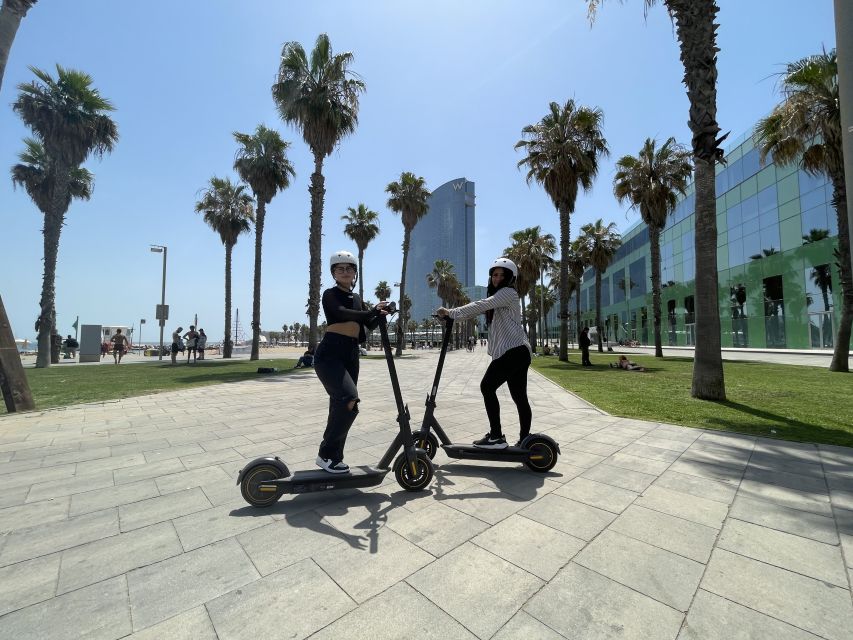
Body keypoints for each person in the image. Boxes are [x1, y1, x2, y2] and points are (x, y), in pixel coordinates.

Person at [437, 257, 531, 449]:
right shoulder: (499, 299)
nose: (497, 278)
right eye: (494, 275)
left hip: (513, 350)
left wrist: (451, 312)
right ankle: (525, 441)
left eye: (501, 275)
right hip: (517, 352)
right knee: (519, 397)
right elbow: (476, 311)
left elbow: (480, 304)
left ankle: (496, 437)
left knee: (487, 387)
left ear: (510, 278)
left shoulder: (508, 293)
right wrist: (453, 318)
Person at [314, 250, 389, 473]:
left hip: (351, 353)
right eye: (340, 269)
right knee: (348, 399)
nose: (345, 272)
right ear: (334, 273)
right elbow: (341, 312)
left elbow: (367, 323)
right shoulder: (330, 294)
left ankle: (334, 457)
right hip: (330, 353)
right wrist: (370, 312)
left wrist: (380, 313)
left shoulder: (357, 299)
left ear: (355, 273)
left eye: (349, 269)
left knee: (345, 406)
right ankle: (325, 454)